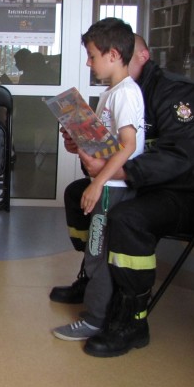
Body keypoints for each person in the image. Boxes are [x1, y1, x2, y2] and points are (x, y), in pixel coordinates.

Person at [50, 34, 194, 358]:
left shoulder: (176, 93)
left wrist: (115, 174)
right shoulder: (121, 91)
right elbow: (119, 146)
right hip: (150, 183)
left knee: (128, 219)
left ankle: (132, 319)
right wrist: (83, 144)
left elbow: (180, 158)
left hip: (191, 191)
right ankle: (96, 278)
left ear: (141, 55)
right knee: (77, 194)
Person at [51, 18, 144, 343]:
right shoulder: (111, 94)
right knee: (96, 252)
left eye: (92, 56)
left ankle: (96, 319)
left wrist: (97, 183)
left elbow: (128, 146)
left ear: (113, 55)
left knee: (97, 253)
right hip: (108, 186)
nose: (89, 63)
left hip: (112, 190)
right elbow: (106, 145)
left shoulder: (126, 94)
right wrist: (76, 141)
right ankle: (99, 310)